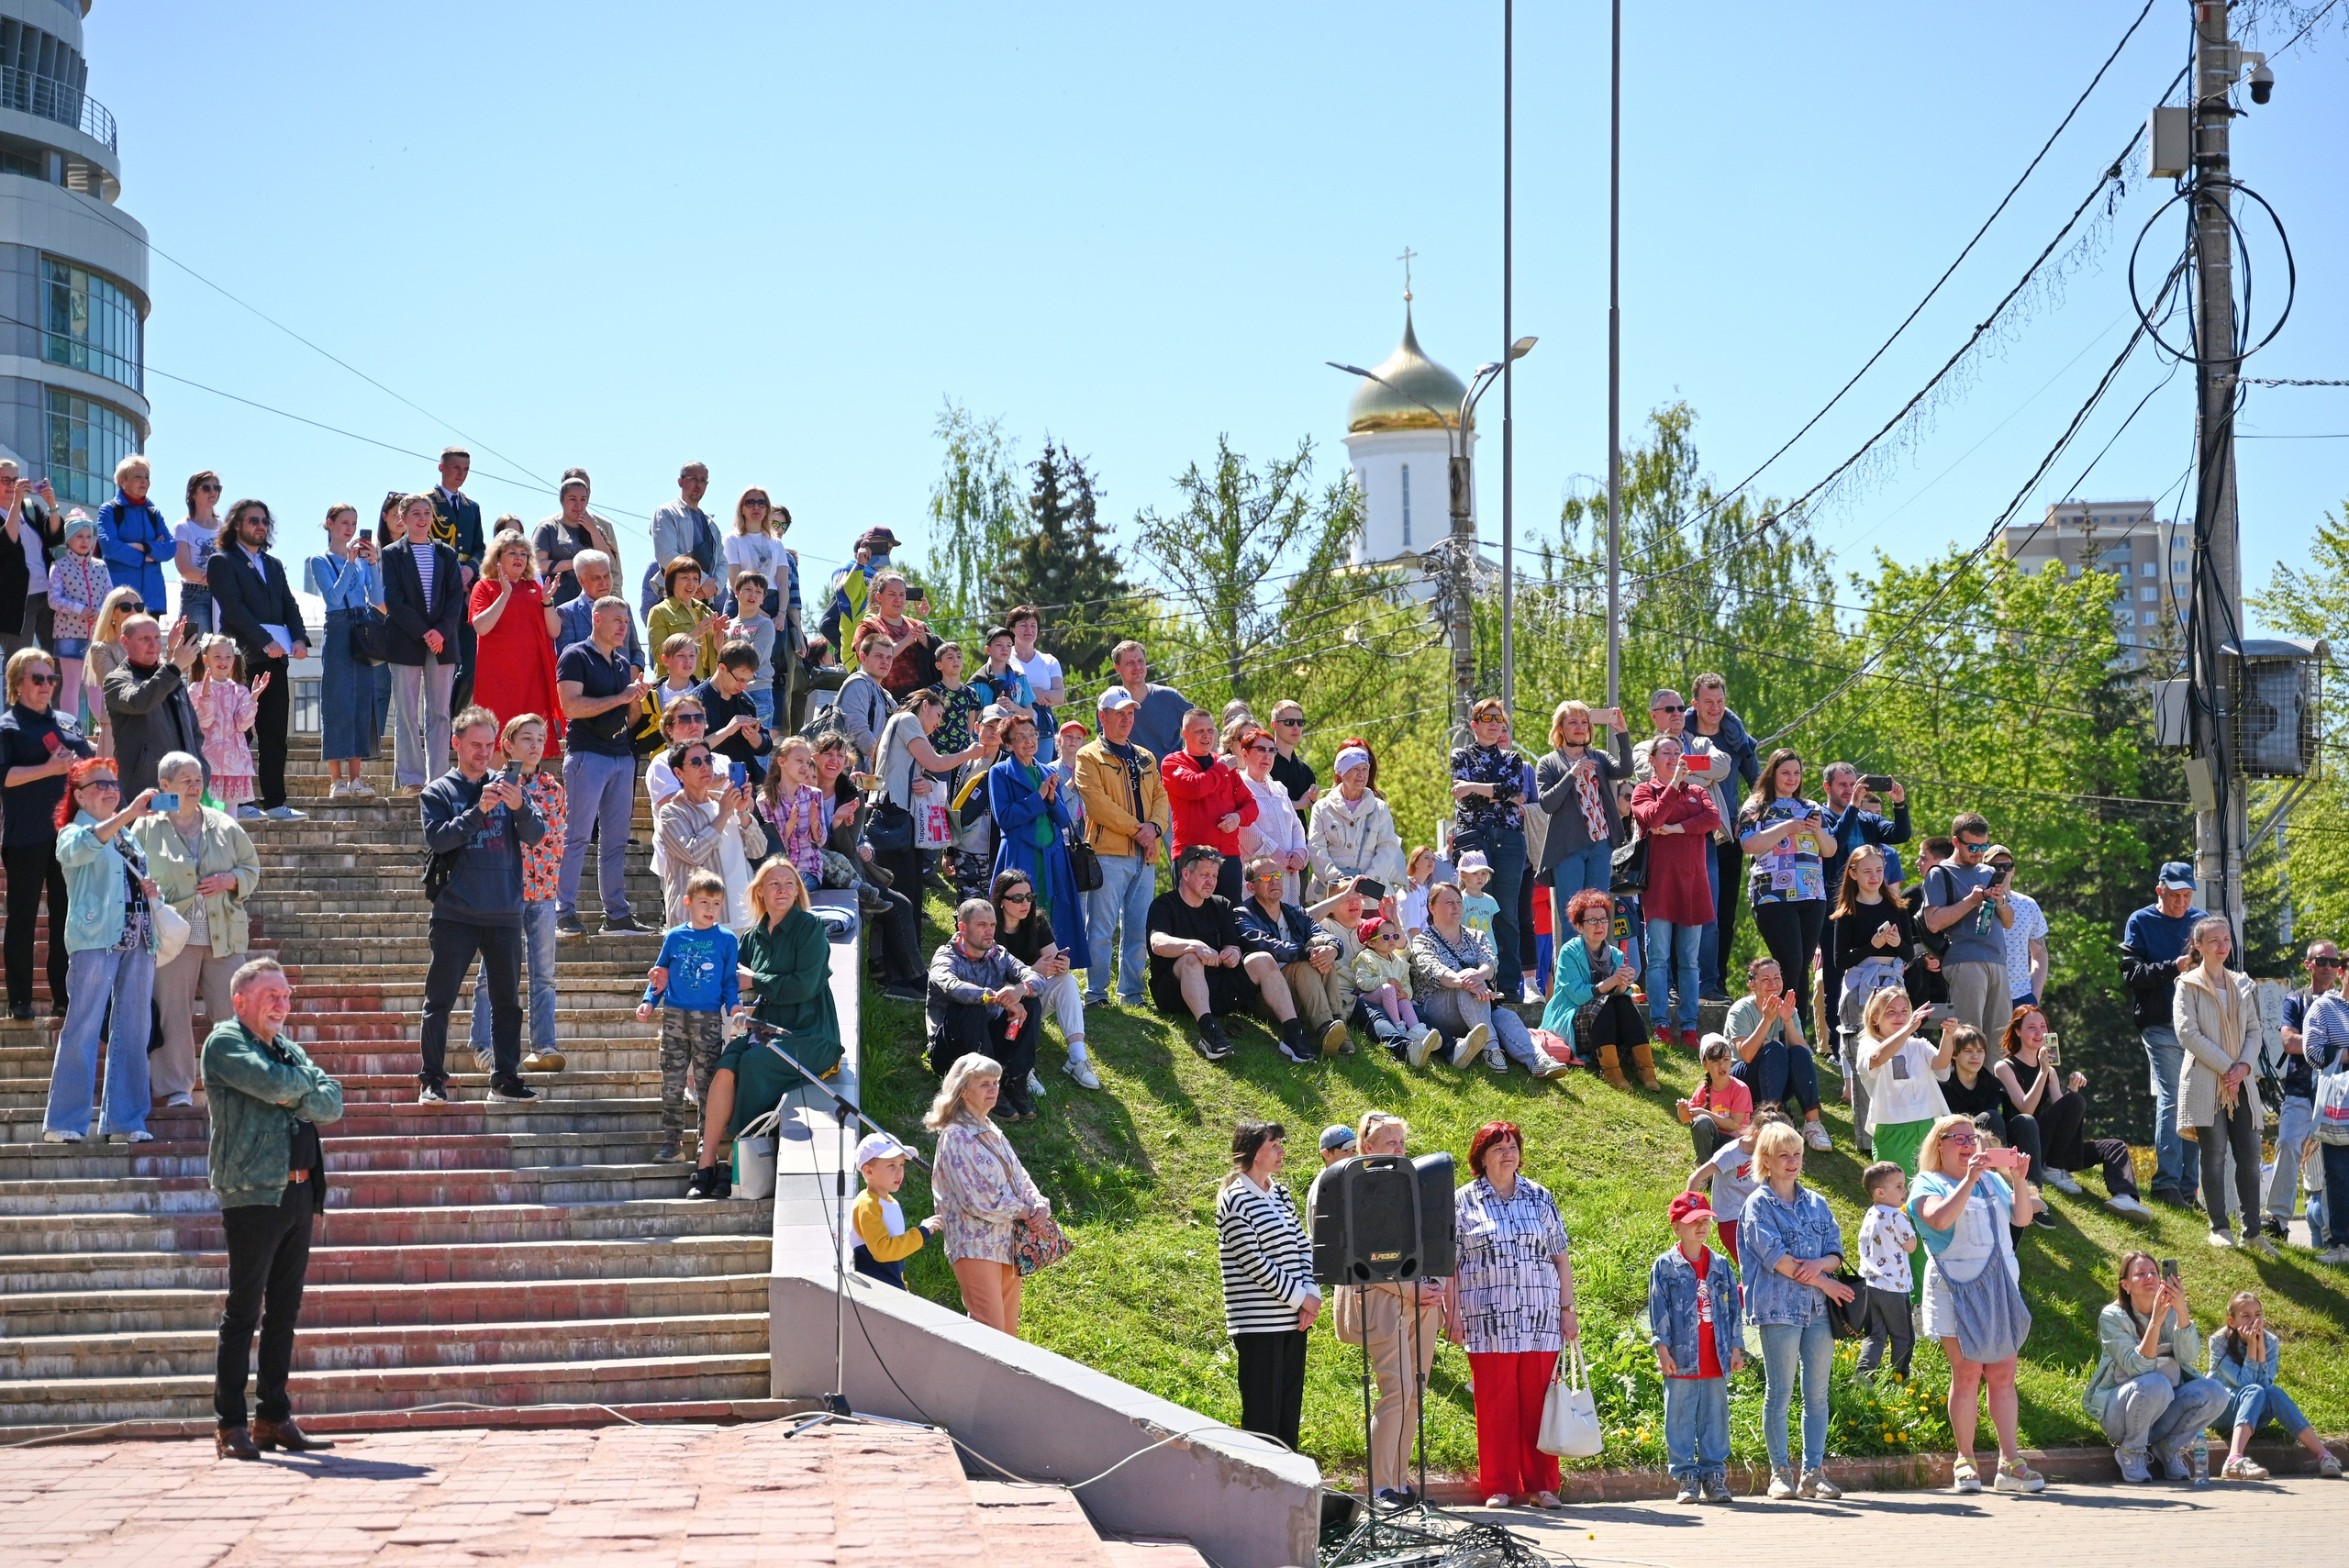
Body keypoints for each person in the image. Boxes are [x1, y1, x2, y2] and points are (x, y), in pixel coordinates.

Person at [202, 959, 343, 1461]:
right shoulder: (224, 1043)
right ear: (240, 1001)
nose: (282, 1005)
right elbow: (276, 1086)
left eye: (286, 995)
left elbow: (332, 1103)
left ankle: (273, 1417)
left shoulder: (288, 1049)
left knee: (284, 1312)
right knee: (244, 1312)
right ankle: (230, 1425)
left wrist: (295, 1090)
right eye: (271, 996)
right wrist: (298, 1088)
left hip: (301, 1193)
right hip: (253, 1193)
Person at [686, 858, 840, 1198]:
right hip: (764, 1029)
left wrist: (755, 979)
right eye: (774, 884)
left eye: (789, 883)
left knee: (754, 1065)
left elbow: (805, 985)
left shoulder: (810, 928)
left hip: (812, 1034)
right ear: (759, 893)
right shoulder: (753, 938)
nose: (782, 889)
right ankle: (706, 1162)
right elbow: (726, 984)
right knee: (726, 1066)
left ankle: (733, 1161)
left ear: (798, 891)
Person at [417, 706, 546, 1106]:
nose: (483, 752)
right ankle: (432, 1079)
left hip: (505, 910)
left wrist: (519, 806)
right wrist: (480, 811)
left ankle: (505, 1077)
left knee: (508, 1002)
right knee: (439, 1000)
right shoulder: (438, 791)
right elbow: (438, 840)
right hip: (456, 911)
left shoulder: (508, 784)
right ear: (456, 743)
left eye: (489, 745)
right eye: (475, 745)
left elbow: (536, 834)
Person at [1445, 1120, 1575, 1510]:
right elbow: (1449, 1265)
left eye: (1513, 1145)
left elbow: (1561, 1259)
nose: (1508, 1153)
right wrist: (1452, 1315)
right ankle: (1498, 1486)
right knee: (1495, 1403)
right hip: (1487, 1319)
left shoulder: (1539, 1197)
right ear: (1481, 1157)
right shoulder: (1462, 1201)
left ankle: (1542, 1486)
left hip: (1541, 1318)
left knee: (1538, 1403)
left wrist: (1567, 1310)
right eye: (1498, 1147)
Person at [1910, 1112, 2043, 1495]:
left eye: (1973, 1139)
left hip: (2000, 1285)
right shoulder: (1926, 1183)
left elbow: (2022, 1218)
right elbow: (1937, 1219)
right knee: (1967, 1373)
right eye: (1960, 1138)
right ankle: (1965, 1461)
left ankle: (2009, 1462)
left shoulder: (1992, 1181)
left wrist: (2018, 1181)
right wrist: (1968, 1179)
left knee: (2003, 1374)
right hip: (1956, 1287)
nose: (1969, 1145)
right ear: (1940, 1144)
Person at [40, 756, 157, 1144]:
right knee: (84, 1027)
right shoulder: (74, 832)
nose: (110, 790)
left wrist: (150, 889)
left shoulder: (129, 835)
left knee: (134, 1032)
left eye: (113, 784)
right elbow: (81, 852)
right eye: (100, 785)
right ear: (79, 796)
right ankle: (64, 1122)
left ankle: (126, 1121)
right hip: (95, 939)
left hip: (139, 939)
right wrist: (126, 815)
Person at [132, 751, 259, 1108]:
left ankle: (237, 1084)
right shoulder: (145, 826)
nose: (195, 785)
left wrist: (231, 879)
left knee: (235, 1011)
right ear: (165, 786)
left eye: (199, 778)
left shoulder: (223, 823)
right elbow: (130, 868)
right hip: (174, 936)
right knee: (173, 1013)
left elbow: (251, 867)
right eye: (185, 779)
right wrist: (148, 888)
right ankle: (176, 1088)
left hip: (225, 934)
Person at [1741, 1118, 1853, 1500]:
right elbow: (1779, 1260)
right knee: (1780, 1394)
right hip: (1778, 1310)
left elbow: (1836, 1251)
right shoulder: (1757, 1205)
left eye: (1798, 1154)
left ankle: (1813, 1474)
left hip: (1819, 1311)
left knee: (1818, 1395)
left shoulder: (1817, 1202)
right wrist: (1825, 1279)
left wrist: (1823, 1266)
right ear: (1766, 1160)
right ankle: (1779, 1474)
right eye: (1783, 1155)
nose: (1792, 1162)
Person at [1208, 1118, 1320, 1455]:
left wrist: (1310, 1293)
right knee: (1262, 1417)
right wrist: (1301, 1298)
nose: (1282, 1152)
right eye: (1275, 1146)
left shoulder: (1281, 1194)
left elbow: (1302, 1246)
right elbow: (1254, 1263)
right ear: (1256, 1153)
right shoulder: (1235, 1199)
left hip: (1293, 1321)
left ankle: (1285, 1490)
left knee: (1288, 1413)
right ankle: (1260, 1493)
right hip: (1258, 1326)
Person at [465, 716, 566, 1077]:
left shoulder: (553, 787)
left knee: (545, 975)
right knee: (491, 973)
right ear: (507, 744)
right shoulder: (491, 786)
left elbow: (552, 837)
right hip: (504, 892)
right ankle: (482, 1043)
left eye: (541, 738)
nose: (536, 745)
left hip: (542, 891)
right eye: (527, 738)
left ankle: (544, 1045)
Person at [926, 1052, 1053, 1336]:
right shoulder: (956, 1135)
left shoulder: (990, 1128)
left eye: (996, 1082)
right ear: (963, 1089)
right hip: (975, 1246)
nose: (994, 1089)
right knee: (989, 1334)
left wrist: (1039, 1204)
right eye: (984, 1083)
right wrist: (1025, 1211)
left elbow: (1020, 1176)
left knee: (1007, 1337)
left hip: (1007, 1244)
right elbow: (977, 1200)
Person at [2084, 1251, 2234, 1484]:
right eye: (2140, 1274)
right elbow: (2138, 1368)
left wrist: (2182, 1311)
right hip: (2119, 1414)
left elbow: (2189, 1356)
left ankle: (2168, 1448)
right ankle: (2131, 1451)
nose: (2149, 1278)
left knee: (2216, 1392)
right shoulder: (2112, 1316)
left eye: (2153, 1273)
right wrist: (2155, 1321)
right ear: (2125, 1285)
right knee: (2156, 1382)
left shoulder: (2172, 1311)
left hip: (2163, 1407)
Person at [0, 649, 92, 1019]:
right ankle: (19, 999)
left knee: (66, 918)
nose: (46, 686)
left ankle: (63, 996)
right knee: (21, 918)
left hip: (68, 837)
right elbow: (4, 778)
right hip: (25, 836)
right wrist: (48, 770)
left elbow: (89, 766)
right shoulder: (8, 726)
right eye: (37, 679)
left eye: (51, 679)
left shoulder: (68, 722)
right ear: (17, 684)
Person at [552, 596, 651, 938]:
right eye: (617, 620)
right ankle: (562, 911)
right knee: (576, 836)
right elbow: (571, 707)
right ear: (596, 619)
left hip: (621, 755)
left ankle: (617, 915)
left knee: (616, 841)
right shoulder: (575, 655)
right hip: (587, 755)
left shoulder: (623, 663)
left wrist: (636, 700)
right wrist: (621, 698)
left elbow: (628, 716)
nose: (624, 626)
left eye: (626, 620)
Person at [204, 499, 307, 819]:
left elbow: (289, 604)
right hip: (245, 658)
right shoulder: (222, 561)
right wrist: (266, 641)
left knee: (275, 732)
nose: (261, 526)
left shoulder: (274, 564)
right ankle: (241, 803)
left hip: (276, 660)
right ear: (237, 525)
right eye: (253, 521)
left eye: (264, 521)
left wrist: (300, 637)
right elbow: (233, 609)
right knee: (239, 733)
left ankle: (275, 802)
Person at [2174, 914, 2271, 1255]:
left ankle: (2253, 1232)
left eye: (2226, 939)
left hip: (2241, 1083)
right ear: (2198, 946)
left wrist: (2243, 1067)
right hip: (2205, 1081)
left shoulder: (2242, 984)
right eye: (2214, 940)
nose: (2222, 946)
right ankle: (2219, 1227)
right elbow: (2187, 1033)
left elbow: (2255, 1031)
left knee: (2249, 1154)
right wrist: (2228, 1067)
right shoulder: (2187, 985)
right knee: (2213, 1154)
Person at [1150, 844, 1299, 1063]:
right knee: (1191, 959)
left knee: (1263, 959)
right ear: (1186, 873)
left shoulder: (1222, 905)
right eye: (1204, 875)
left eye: (1214, 875)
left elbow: (1233, 945)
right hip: (1174, 994)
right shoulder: (1164, 904)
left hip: (1218, 990)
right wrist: (1194, 946)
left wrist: (1233, 953)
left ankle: (1294, 1034)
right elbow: (1157, 942)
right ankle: (1209, 1032)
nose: (1211, 881)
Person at [1993, 1004, 2148, 1216]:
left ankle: (2125, 1197)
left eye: (2043, 1027)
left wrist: (2072, 1089)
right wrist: (2043, 1073)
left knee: (2115, 1146)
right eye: (2031, 1028)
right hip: (2027, 1143)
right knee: (2068, 1104)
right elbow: (2025, 1108)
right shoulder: (2004, 1066)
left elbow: (2062, 1110)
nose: (2039, 1033)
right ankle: (2052, 1168)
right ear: (2018, 1031)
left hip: (2054, 1148)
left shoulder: (2050, 1072)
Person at [638, 867, 740, 1162]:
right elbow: (659, 976)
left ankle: (704, 1144)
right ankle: (672, 1142)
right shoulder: (674, 937)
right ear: (688, 902)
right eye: (704, 902)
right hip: (673, 1016)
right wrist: (649, 1001)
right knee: (672, 1081)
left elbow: (729, 981)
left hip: (707, 1019)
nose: (710, 909)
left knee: (708, 1083)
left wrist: (733, 1004)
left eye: (716, 903)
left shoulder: (726, 940)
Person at [2121, 862, 2207, 1210]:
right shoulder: (2140, 921)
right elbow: (2131, 974)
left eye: (2187, 895)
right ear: (2160, 890)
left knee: (2197, 1103)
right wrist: (2174, 966)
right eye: (2174, 896)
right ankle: (2166, 1184)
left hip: (2198, 1026)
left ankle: (2189, 1189)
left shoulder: (2202, 920)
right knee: (2173, 1097)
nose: (2181, 903)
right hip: (2159, 1023)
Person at [1650, 1190, 1743, 1507]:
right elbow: (1657, 1309)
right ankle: (1686, 1477)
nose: (1701, 1226)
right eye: (1692, 1222)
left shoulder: (1720, 1265)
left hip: (1715, 1356)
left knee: (1715, 1417)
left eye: (1705, 1220)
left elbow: (1733, 1310)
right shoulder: (1665, 1267)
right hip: (1682, 1358)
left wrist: (1735, 1347)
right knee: (1678, 1417)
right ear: (1676, 1227)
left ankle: (1714, 1476)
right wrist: (1662, 1349)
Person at [870, 687, 996, 912]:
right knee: (904, 890)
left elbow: (911, 771)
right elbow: (935, 763)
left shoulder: (902, 726)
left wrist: (929, 783)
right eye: (938, 715)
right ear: (925, 705)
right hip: (895, 815)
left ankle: (909, 944)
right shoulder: (907, 719)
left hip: (900, 815)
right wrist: (968, 753)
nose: (939, 723)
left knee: (912, 888)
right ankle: (902, 946)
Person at [1736, 748, 1831, 1043]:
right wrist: (1788, 826)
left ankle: (1796, 1033)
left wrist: (1816, 831)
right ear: (1772, 773)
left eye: (1797, 773)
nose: (1792, 778)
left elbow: (1830, 850)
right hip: (1773, 896)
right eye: (1785, 772)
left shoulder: (1812, 806)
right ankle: (1776, 1031)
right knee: (1788, 963)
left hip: (1812, 894)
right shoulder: (1757, 806)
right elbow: (1750, 843)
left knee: (1801, 966)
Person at [1631, 735, 1720, 1051]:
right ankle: (1660, 1022)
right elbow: (1652, 816)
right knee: (1657, 959)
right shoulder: (1643, 791)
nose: (1673, 757)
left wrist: (1675, 828)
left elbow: (1713, 818)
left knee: (1690, 961)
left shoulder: (1697, 790)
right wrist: (1672, 789)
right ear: (1652, 761)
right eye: (1665, 753)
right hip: (1659, 886)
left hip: (1694, 885)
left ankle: (1690, 1025)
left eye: (1676, 752)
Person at [1826, 842, 1915, 1143]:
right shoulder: (1846, 913)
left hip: (1892, 986)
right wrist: (1872, 947)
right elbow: (1840, 960)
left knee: (1898, 1056)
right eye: (1867, 871)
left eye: (1879, 870)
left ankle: (1901, 1132)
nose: (1875, 876)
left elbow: (1908, 953)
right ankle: (1867, 1139)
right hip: (1861, 985)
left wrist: (1893, 942)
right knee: (1863, 1058)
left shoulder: (1896, 907)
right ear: (1853, 873)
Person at [985, 713, 1091, 965]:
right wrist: (1039, 796)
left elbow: (1063, 819)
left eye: (1032, 734)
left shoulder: (1046, 770)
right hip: (1021, 854)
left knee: (1053, 913)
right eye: (1020, 737)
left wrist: (1052, 799)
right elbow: (1005, 818)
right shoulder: (999, 772)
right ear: (1008, 744)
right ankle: (1016, 968)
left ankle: (1054, 967)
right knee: (1018, 912)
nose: (1029, 741)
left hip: (1054, 855)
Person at [927, 897, 1044, 1115]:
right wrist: (992, 996)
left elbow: (1035, 978)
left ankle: (1015, 1082)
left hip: (987, 1039)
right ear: (962, 927)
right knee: (970, 1006)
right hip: (950, 1050)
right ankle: (987, 1087)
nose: (989, 931)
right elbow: (951, 986)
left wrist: (1020, 991)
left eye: (992, 925)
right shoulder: (946, 955)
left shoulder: (999, 954)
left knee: (1030, 1000)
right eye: (981, 925)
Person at [1409, 882, 1540, 1077]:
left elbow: (1490, 962)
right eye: (1449, 902)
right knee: (1468, 987)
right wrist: (1464, 980)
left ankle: (1538, 1060)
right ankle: (1491, 1048)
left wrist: (1478, 975)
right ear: (1432, 907)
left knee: (1506, 1016)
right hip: (1438, 1008)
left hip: (1478, 1004)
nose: (1456, 906)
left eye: (1458, 902)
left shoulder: (1476, 935)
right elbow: (1433, 969)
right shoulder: (1423, 940)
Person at [1448, 698, 1531, 1001]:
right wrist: (1497, 794)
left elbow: (1515, 791)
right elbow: (1465, 800)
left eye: (1500, 719)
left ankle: (1509, 988)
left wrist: (1475, 787)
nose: (1495, 723)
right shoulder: (1460, 755)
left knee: (1506, 914)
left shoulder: (1512, 758)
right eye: (1487, 718)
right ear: (1474, 724)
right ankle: (1471, 979)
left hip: (1509, 840)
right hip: (1474, 839)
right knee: (1471, 909)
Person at [2207, 1291, 2342, 1478]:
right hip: (2221, 1409)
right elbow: (2245, 1383)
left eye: (2258, 1315)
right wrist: (2254, 1346)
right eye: (2246, 1316)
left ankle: (2324, 1456)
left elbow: (2264, 1385)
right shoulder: (2218, 1341)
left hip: (2253, 1413)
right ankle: (2233, 1460)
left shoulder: (2270, 1342)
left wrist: (2261, 1346)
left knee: (2273, 1392)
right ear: (2232, 1322)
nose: (2253, 1321)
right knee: (2254, 1390)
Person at [380, 493, 462, 798]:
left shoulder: (446, 553)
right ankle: (412, 779)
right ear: (403, 517)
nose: (422, 518)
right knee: (406, 713)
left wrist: (440, 632)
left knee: (440, 713)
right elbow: (395, 600)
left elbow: (455, 599)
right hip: (405, 641)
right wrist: (423, 632)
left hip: (443, 642)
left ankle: (438, 778)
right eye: (416, 513)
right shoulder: (391, 554)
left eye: (427, 513)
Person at [1684, 675, 1759, 996]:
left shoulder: (1737, 740)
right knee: (1686, 911)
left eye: (1720, 702)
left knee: (1722, 913)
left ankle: (1715, 983)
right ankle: (1683, 981)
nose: (1715, 708)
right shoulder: (1679, 733)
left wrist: (1746, 816)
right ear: (1695, 704)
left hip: (1727, 833)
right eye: (1708, 702)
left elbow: (1759, 785)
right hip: (1685, 833)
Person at [305, 504, 384, 797]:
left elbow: (376, 597)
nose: (350, 529)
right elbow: (334, 596)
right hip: (338, 627)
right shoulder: (319, 560)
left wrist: (372, 564)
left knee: (362, 699)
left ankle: (356, 778)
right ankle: (336, 779)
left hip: (362, 624)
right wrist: (350, 563)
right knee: (336, 700)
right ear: (330, 524)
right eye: (344, 523)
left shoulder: (362, 560)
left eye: (354, 523)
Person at [652, 737, 772, 931]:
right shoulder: (672, 812)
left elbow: (759, 850)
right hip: (698, 922)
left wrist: (742, 812)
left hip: (743, 916)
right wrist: (725, 812)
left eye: (708, 760)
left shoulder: (724, 801)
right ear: (678, 773)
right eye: (696, 762)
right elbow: (693, 854)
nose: (705, 767)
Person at [994, 869, 1097, 1092]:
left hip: (1031, 1001)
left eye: (1029, 897)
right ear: (1001, 900)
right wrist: (1034, 970)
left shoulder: (1037, 923)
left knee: (1066, 980)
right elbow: (989, 981)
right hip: (998, 1005)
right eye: (1018, 898)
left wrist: (1061, 965)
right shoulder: (989, 929)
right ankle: (1022, 1068)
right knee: (1026, 994)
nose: (1025, 904)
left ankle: (1077, 1058)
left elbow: (1053, 960)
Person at [1237, 857, 1351, 1058]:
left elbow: (1321, 934)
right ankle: (1325, 1028)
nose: (1274, 881)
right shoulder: (1243, 914)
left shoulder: (1295, 912)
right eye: (1265, 877)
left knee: (1322, 948)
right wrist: (1305, 953)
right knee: (1304, 963)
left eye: (1277, 875)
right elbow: (1266, 945)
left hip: (1303, 993)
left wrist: (1333, 949)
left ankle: (1336, 1023)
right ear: (1251, 886)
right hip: (1267, 999)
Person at [1921, 813, 2014, 1052]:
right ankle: (1967, 1089)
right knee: (1969, 1039)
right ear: (1955, 842)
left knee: (2000, 1042)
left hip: (1998, 962)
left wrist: (2000, 901)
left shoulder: (1987, 872)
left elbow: (2009, 921)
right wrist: (1971, 901)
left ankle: (1996, 1089)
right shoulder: (1939, 873)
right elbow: (1933, 922)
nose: (1978, 852)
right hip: (1964, 961)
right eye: (1972, 846)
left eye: (1983, 846)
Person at [467, 530, 564, 752]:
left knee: (531, 737)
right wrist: (505, 594)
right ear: (497, 557)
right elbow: (481, 626)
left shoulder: (536, 588)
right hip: (498, 677)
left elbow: (555, 630)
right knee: (500, 738)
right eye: (512, 552)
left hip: (532, 676)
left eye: (523, 553)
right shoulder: (483, 587)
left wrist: (547, 602)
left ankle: (531, 786)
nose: (519, 557)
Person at [1536, 699, 1632, 923]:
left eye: (1584, 722)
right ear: (1560, 728)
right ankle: (1572, 959)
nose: (1580, 727)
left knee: (1598, 914)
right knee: (1574, 918)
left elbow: (1625, 769)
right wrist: (1572, 774)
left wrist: (1623, 733)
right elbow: (1547, 803)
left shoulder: (1598, 757)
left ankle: (1597, 959)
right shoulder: (1549, 763)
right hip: (1568, 848)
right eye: (1573, 722)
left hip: (1601, 844)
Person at [1542, 886, 1648, 1090]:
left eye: (1603, 919)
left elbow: (1619, 994)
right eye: (1592, 920)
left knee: (1624, 1001)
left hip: (1604, 1024)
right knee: (1605, 1003)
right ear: (1579, 926)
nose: (1599, 925)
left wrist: (1623, 984)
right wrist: (1612, 981)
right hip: (1573, 1023)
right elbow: (1579, 996)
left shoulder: (1615, 955)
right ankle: (1611, 1072)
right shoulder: (1569, 952)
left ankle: (1646, 1069)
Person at [2269, 940, 2339, 1240]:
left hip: (2337, 1093)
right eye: (2321, 961)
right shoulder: (2295, 1000)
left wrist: (2308, 1042)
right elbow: (2288, 1043)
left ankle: (2335, 1234)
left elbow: (2302, 1043)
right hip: (2299, 1091)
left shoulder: (2344, 1001)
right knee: (2286, 1144)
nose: (2327, 967)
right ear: (2308, 964)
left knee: (2336, 1162)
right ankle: (2277, 1220)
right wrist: (2333, 1045)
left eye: (2333, 963)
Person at [1726, 959, 1830, 1149]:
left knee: (1798, 1052)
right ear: (1752, 984)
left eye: (1777, 978)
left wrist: (1788, 1020)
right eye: (1765, 979)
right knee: (1774, 1049)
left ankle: (1813, 1124)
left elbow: (1805, 1055)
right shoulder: (1740, 1010)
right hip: (1743, 1082)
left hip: (1776, 1079)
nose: (1773, 984)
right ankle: (1770, 1121)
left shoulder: (1789, 1009)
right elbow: (1746, 1055)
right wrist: (1767, 1020)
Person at [1856, 987, 1954, 1184]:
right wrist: (1909, 1027)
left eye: (1904, 1011)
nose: (1899, 1017)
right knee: (1896, 1191)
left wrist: (1948, 1035)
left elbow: (1941, 1065)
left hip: (1927, 1125)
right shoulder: (1869, 1044)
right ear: (1875, 1018)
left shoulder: (1919, 1044)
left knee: (1932, 1189)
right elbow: (1877, 1058)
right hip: (1892, 1129)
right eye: (1891, 1012)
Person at [103, 614, 206, 800]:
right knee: (150, 830)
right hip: (147, 790)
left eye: (157, 638)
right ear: (125, 642)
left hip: (184, 789)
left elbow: (194, 732)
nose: (153, 644)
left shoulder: (171, 679)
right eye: (144, 639)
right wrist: (174, 667)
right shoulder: (116, 680)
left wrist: (202, 771)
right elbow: (139, 701)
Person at [1163, 707, 1256, 905]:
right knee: (1193, 917)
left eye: (1210, 730)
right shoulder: (1172, 762)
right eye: (1200, 731)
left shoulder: (1223, 764)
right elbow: (1195, 787)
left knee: (1231, 917)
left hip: (1228, 855)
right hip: (1191, 854)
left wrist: (1238, 817)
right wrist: (1222, 768)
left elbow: (1251, 805)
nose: (1207, 736)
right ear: (1185, 735)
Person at [1308, 743, 1405, 898]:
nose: (1361, 774)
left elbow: (1388, 847)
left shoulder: (1380, 808)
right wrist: (1339, 881)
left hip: (1370, 897)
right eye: (1355, 768)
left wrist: (1368, 882)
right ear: (1342, 773)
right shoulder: (1322, 807)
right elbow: (1315, 848)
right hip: (1331, 895)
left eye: (1365, 768)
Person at [1686, 1109, 1775, 1270]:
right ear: (1757, 1135)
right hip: (1731, 1219)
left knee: (1767, 1265)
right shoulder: (1731, 1154)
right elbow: (1696, 1177)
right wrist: (1690, 1213)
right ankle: (1742, 1293)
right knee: (1751, 1267)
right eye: (1770, 1143)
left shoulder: (1766, 1153)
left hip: (1756, 1216)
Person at [851, 1131, 941, 1290]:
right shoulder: (867, 1204)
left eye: (901, 1164)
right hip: (875, 1292)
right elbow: (882, 1251)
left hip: (889, 1286)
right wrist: (921, 1233)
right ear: (868, 1172)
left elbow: (894, 1258)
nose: (899, 1172)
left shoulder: (890, 1202)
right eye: (891, 1165)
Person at [1853, 1162, 1918, 1380]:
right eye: (1899, 1186)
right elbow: (1911, 1246)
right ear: (1880, 1192)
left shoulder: (1871, 1213)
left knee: (1875, 1334)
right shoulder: (1896, 1216)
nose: (1904, 1190)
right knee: (1903, 1336)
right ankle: (1898, 1377)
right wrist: (1909, 1223)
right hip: (1894, 1287)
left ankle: (1864, 1374)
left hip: (1870, 1286)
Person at [46, 511, 108, 727]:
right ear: (69, 539)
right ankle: (71, 730)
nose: (85, 541)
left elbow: (110, 595)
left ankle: (105, 728)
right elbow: (53, 599)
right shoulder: (59, 566)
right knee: (71, 683)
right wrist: (80, 609)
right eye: (79, 536)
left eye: (89, 537)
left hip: (96, 634)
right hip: (68, 632)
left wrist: (100, 611)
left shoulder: (101, 567)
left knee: (95, 684)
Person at [1235, 725, 1310, 904]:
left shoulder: (1279, 788)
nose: (1267, 755)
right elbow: (1244, 830)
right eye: (1261, 749)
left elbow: (1295, 825)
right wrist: (1279, 858)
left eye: (1272, 750)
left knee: (1288, 923)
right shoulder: (1238, 785)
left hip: (1289, 872)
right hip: (1259, 875)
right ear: (1245, 754)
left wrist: (1300, 852)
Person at [186, 635, 259, 816]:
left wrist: (253, 699)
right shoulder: (195, 689)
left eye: (228, 657)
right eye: (217, 656)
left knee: (231, 813)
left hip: (235, 762)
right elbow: (203, 721)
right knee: (205, 811)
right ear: (206, 659)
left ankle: (228, 844)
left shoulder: (240, 691)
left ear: (234, 661)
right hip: (207, 760)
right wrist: (205, 696)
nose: (223, 661)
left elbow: (242, 724)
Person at [1353, 914, 1435, 1062]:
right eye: (1385, 937)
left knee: (1405, 1002)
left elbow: (1405, 982)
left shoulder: (1398, 960)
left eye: (1394, 936)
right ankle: (1399, 1027)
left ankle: (1418, 1032)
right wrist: (1385, 980)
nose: (1391, 939)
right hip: (1370, 998)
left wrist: (1406, 994)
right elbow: (1362, 982)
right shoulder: (1366, 957)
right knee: (1388, 988)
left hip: (1393, 1001)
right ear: (1371, 943)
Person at [641, 462, 720, 614]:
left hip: (704, 604)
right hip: (674, 603)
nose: (698, 484)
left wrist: (713, 587)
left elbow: (722, 562)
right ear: (681, 481)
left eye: (703, 480)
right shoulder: (666, 513)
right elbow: (667, 555)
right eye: (693, 479)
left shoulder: (711, 524)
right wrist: (702, 581)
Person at [95, 454, 169, 617]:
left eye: (147, 477)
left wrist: (144, 547)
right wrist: (147, 556)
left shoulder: (154, 513)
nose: (144, 481)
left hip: (151, 599)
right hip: (121, 599)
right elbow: (110, 547)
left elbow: (170, 548)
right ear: (123, 481)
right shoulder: (109, 510)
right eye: (138, 477)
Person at [535, 473, 622, 608]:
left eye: (583, 499)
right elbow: (539, 565)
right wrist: (577, 564)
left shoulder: (594, 527)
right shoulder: (548, 528)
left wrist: (593, 531)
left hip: (593, 604)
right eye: (573, 499)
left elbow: (610, 562)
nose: (578, 505)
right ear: (562, 500)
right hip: (559, 602)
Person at [690, 639, 773, 782]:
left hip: (748, 780)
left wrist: (753, 737)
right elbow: (688, 749)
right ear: (722, 668)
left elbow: (766, 745)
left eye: (747, 681)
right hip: (711, 782)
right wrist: (728, 731)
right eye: (740, 680)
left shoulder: (745, 700)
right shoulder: (695, 702)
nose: (744, 686)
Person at [852, 571, 939, 699]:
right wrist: (906, 640)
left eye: (902, 594)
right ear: (879, 597)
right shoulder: (868, 626)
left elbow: (940, 659)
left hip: (920, 701)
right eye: (892, 594)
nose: (898, 599)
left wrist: (926, 641)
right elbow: (864, 657)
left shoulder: (918, 625)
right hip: (882, 699)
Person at [81, 584, 144, 758]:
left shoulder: (149, 648)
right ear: (112, 614)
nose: (133, 612)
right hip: (117, 728)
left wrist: (170, 650)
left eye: (138, 607)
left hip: (146, 727)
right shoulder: (101, 649)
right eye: (125, 608)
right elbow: (116, 685)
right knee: (112, 784)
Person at [1981, 845, 2048, 1007]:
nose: (2002, 871)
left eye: (2007, 866)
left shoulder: (2028, 904)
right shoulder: (1975, 901)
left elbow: (2040, 953)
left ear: (2013, 871)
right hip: (1985, 993)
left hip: (2021, 995)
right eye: (1995, 867)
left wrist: (2034, 997)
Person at [1106, 639, 1192, 763]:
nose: (1137, 667)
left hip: (1173, 777)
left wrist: (1207, 765)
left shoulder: (1170, 697)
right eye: (1130, 663)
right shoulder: (1110, 703)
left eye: (1141, 661)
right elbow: (1106, 748)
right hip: (1131, 779)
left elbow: (1204, 728)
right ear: (1117, 668)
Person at [551, 551, 640, 667]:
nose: (604, 583)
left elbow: (636, 651)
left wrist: (636, 668)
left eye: (607, 576)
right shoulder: (567, 612)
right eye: (596, 578)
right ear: (581, 580)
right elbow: (567, 655)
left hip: (626, 683)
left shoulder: (624, 607)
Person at [647, 556, 725, 684]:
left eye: (695, 579)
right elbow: (658, 655)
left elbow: (722, 652)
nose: (691, 584)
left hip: (708, 686)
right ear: (671, 581)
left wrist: (721, 635)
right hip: (676, 690)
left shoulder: (704, 610)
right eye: (685, 578)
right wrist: (693, 634)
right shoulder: (659, 611)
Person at [1676, 1035, 1753, 1163]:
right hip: (1714, 1143)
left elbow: (1735, 1125)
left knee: (1703, 1117)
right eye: (1715, 1061)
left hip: (1736, 1146)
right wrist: (1682, 1108)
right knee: (1702, 1122)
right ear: (1705, 1064)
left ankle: (1717, 1172)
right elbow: (1685, 1118)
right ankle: (1704, 1167)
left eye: (1726, 1059)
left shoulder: (1740, 1089)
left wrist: (1704, 1112)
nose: (1722, 1065)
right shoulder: (1703, 1090)